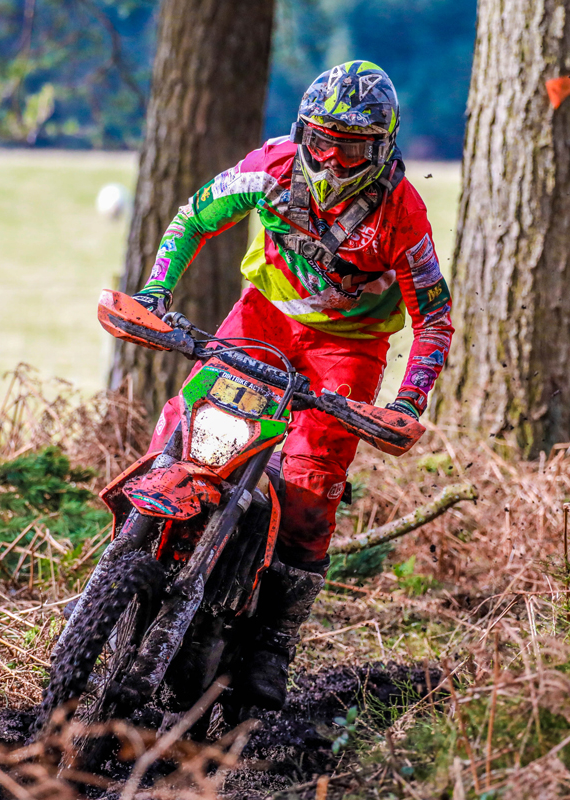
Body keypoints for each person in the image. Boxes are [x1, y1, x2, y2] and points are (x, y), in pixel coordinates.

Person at [131, 60, 454, 710]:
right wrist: (155, 293)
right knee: (185, 423)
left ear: (382, 149)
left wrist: (407, 402)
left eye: (352, 148)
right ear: (301, 133)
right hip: (264, 318)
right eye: (322, 141)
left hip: (349, 347)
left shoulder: (403, 212)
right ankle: (123, 556)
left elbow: (435, 318)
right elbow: (194, 217)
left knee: (311, 489)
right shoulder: (272, 167)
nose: (332, 160)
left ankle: (274, 639)